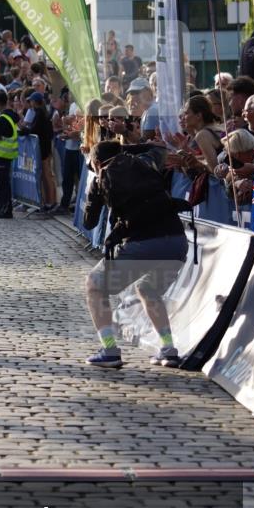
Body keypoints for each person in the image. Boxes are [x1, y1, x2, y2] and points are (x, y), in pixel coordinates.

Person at [83, 140, 190, 369]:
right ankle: (168, 349)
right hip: (177, 242)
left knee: (94, 284)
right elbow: (160, 148)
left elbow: (89, 221)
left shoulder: (101, 176)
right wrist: (128, 149)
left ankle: (110, 349)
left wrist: (95, 189)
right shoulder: (145, 162)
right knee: (148, 289)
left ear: (97, 162)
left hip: (143, 244)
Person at [0, 88, 19, 219]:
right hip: (6, 156)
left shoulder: (2, 118)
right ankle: (3, 208)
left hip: (2, 156)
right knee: (2, 184)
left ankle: (5, 210)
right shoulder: (11, 116)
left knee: (2, 185)